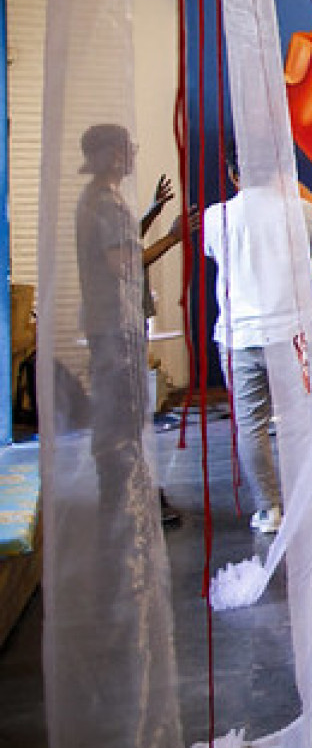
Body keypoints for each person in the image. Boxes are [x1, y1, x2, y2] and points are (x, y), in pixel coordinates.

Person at [203, 156, 312, 531]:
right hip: (293, 333)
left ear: (232, 173)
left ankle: (269, 508)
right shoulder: (301, 211)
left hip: (239, 335)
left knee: (251, 425)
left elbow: (215, 256)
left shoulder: (216, 217)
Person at [74, 124, 182, 520]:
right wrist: (172, 238)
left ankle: (127, 491)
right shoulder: (104, 203)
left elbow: (123, 242)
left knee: (121, 411)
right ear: (111, 156)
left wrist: (152, 212)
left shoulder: (99, 198)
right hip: (114, 324)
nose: (132, 155)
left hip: (109, 322)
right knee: (122, 413)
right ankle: (126, 495)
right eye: (126, 149)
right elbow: (124, 263)